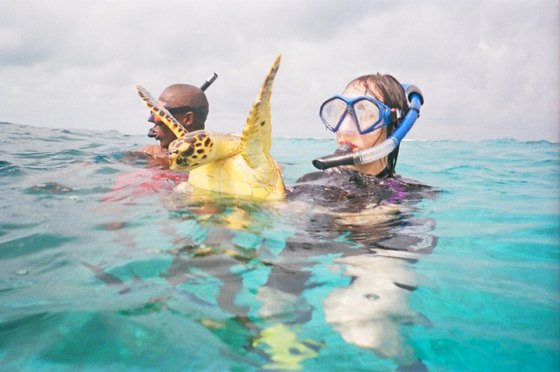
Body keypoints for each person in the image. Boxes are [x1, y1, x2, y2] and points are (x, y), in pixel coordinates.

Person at [299, 73, 410, 181]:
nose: (344, 129)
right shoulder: (311, 183)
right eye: (340, 111)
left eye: (365, 113)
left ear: (396, 126)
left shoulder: (406, 194)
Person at [140, 83, 210, 167]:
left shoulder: (211, 164)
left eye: (160, 114)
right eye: (152, 112)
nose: (151, 120)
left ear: (187, 119)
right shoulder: (149, 152)